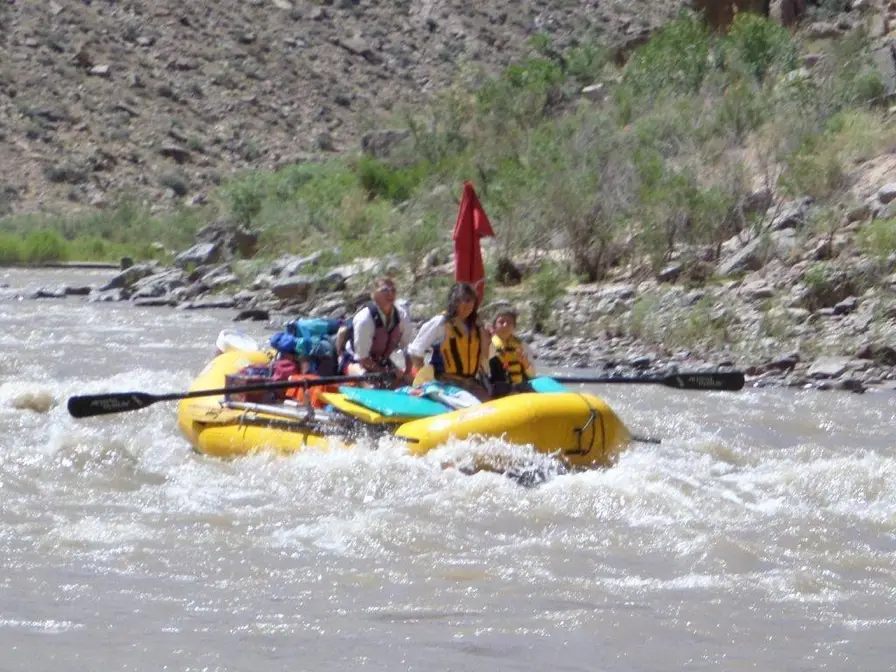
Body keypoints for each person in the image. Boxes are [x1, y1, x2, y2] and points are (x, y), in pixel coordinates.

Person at [407, 282, 491, 400]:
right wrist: (423, 376)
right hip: (445, 382)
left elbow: (485, 357)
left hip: (470, 382)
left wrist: (484, 333)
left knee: (488, 402)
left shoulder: (476, 326)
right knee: (473, 403)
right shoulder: (440, 323)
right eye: (464, 300)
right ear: (455, 302)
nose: (469, 304)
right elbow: (416, 351)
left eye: (471, 300)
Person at [339, 276, 413, 385]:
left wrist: (408, 368)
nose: (390, 293)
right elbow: (363, 359)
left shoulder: (402, 315)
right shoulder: (364, 319)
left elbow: (406, 346)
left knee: (408, 382)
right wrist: (386, 372)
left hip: (381, 360)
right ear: (374, 294)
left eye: (393, 290)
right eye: (385, 290)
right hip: (355, 360)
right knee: (371, 385)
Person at [487, 306, 536, 395]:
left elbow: (532, 375)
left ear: (514, 327)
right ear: (494, 326)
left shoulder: (522, 346)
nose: (505, 325)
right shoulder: (488, 345)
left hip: (521, 387)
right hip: (499, 389)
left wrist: (525, 363)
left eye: (509, 322)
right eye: (501, 322)